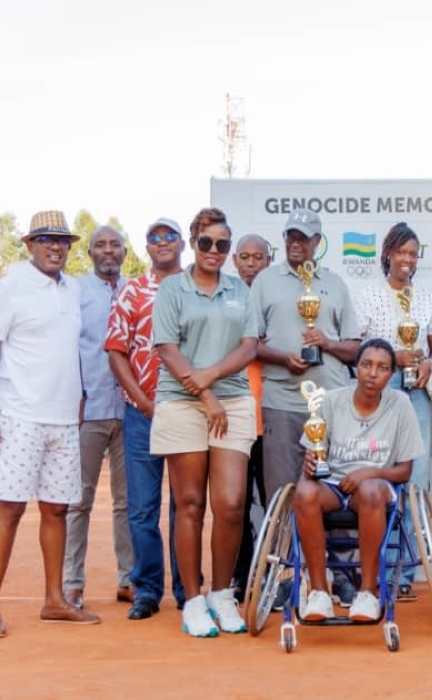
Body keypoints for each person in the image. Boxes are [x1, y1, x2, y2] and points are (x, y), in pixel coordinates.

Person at [0, 210, 100, 637]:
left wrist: (80, 393)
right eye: (46, 239)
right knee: (9, 508)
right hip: (17, 415)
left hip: (63, 417)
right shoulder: (11, 286)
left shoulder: (73, 289)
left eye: (63, 240)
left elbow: (69, 349)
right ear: (30, 244)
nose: (56, 247)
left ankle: (54, 600)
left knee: (57, 509)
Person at [151, 208, 258, 637]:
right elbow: (167, 349)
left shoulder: (239, 291)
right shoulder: (173, 288)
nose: (214, 251)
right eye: (206, 242)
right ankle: (193, 600)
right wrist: (206, 394)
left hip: (231, 401)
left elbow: (249, 346)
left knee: (231, 503)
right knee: (190, 503)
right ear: (192, 243)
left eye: (222, 245)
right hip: (181, 402)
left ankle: (221, 594)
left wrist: (211, 381)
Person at [294, 339, 424, 623]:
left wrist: (370, 473)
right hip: (333, 484)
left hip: (376, 488)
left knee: (370, 491)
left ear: (391, 374)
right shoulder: (330, 401)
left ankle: (367, 592)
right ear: (356, 368)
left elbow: (404, 471)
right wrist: (310, 464)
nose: (373, 373)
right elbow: (314, 461)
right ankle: (319, 592)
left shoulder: (400, 404)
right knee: (303, 491)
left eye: (382, 368)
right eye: (366, 365)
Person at [353, 222, 432, 601]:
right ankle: (379, 568)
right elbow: (357, 350)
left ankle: (405, 570)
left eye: (413, 254)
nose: (406, 260)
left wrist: (427, 365)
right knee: (381, 479)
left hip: (417, 397)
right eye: (400, 252)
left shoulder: (425, 299)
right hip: (378, 398)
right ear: (387, 254)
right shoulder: (368, 295)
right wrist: (393, 356)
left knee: (415, 481)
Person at [105, 217, 188, 621]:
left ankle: (188, 588)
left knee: (186, 505)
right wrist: (142, 401)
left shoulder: (194, 287)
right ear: (147, 247)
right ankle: (149, 589)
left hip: (188, 410)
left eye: (169, 235)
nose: (162, 243)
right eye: (154, 238)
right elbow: (116, 350)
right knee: (142, 507)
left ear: (182, 243)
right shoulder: (132, 291)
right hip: (142, 414)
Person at [251, 208, 360, 505]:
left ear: (317, 241)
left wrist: (327, 343)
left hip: (330, 404)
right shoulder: (265, 281)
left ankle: (328, 554)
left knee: (333, 492)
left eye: (302, 238)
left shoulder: (335, 284)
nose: (295, 244)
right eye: (290, 237)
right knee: (282, 494)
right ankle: (284, 552)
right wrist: (283, 358)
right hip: (282, 402)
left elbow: (354, 348)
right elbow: (250, 344)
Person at [62, 225, 134, 611]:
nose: (108, 251)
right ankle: (71, 584)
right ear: (89, 253)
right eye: (100, 245)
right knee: (78, 501)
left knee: (128, 502)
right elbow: (66, 347)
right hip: (87, 411)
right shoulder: (75, 292)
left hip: (129, 410)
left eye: (115, 244)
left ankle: (128, 579)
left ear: (125, 251)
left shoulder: (137, 290)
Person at [230, 234, 272, 599]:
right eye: (244, 257)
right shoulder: (226, 299)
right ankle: (241, 578)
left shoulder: (276, 298)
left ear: (268, 262)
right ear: (233, 260)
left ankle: (279, 578)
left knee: (275, 505)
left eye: (257, 257)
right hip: (234, 421)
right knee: (237, 507)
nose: (250, 264)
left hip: (272, 419)